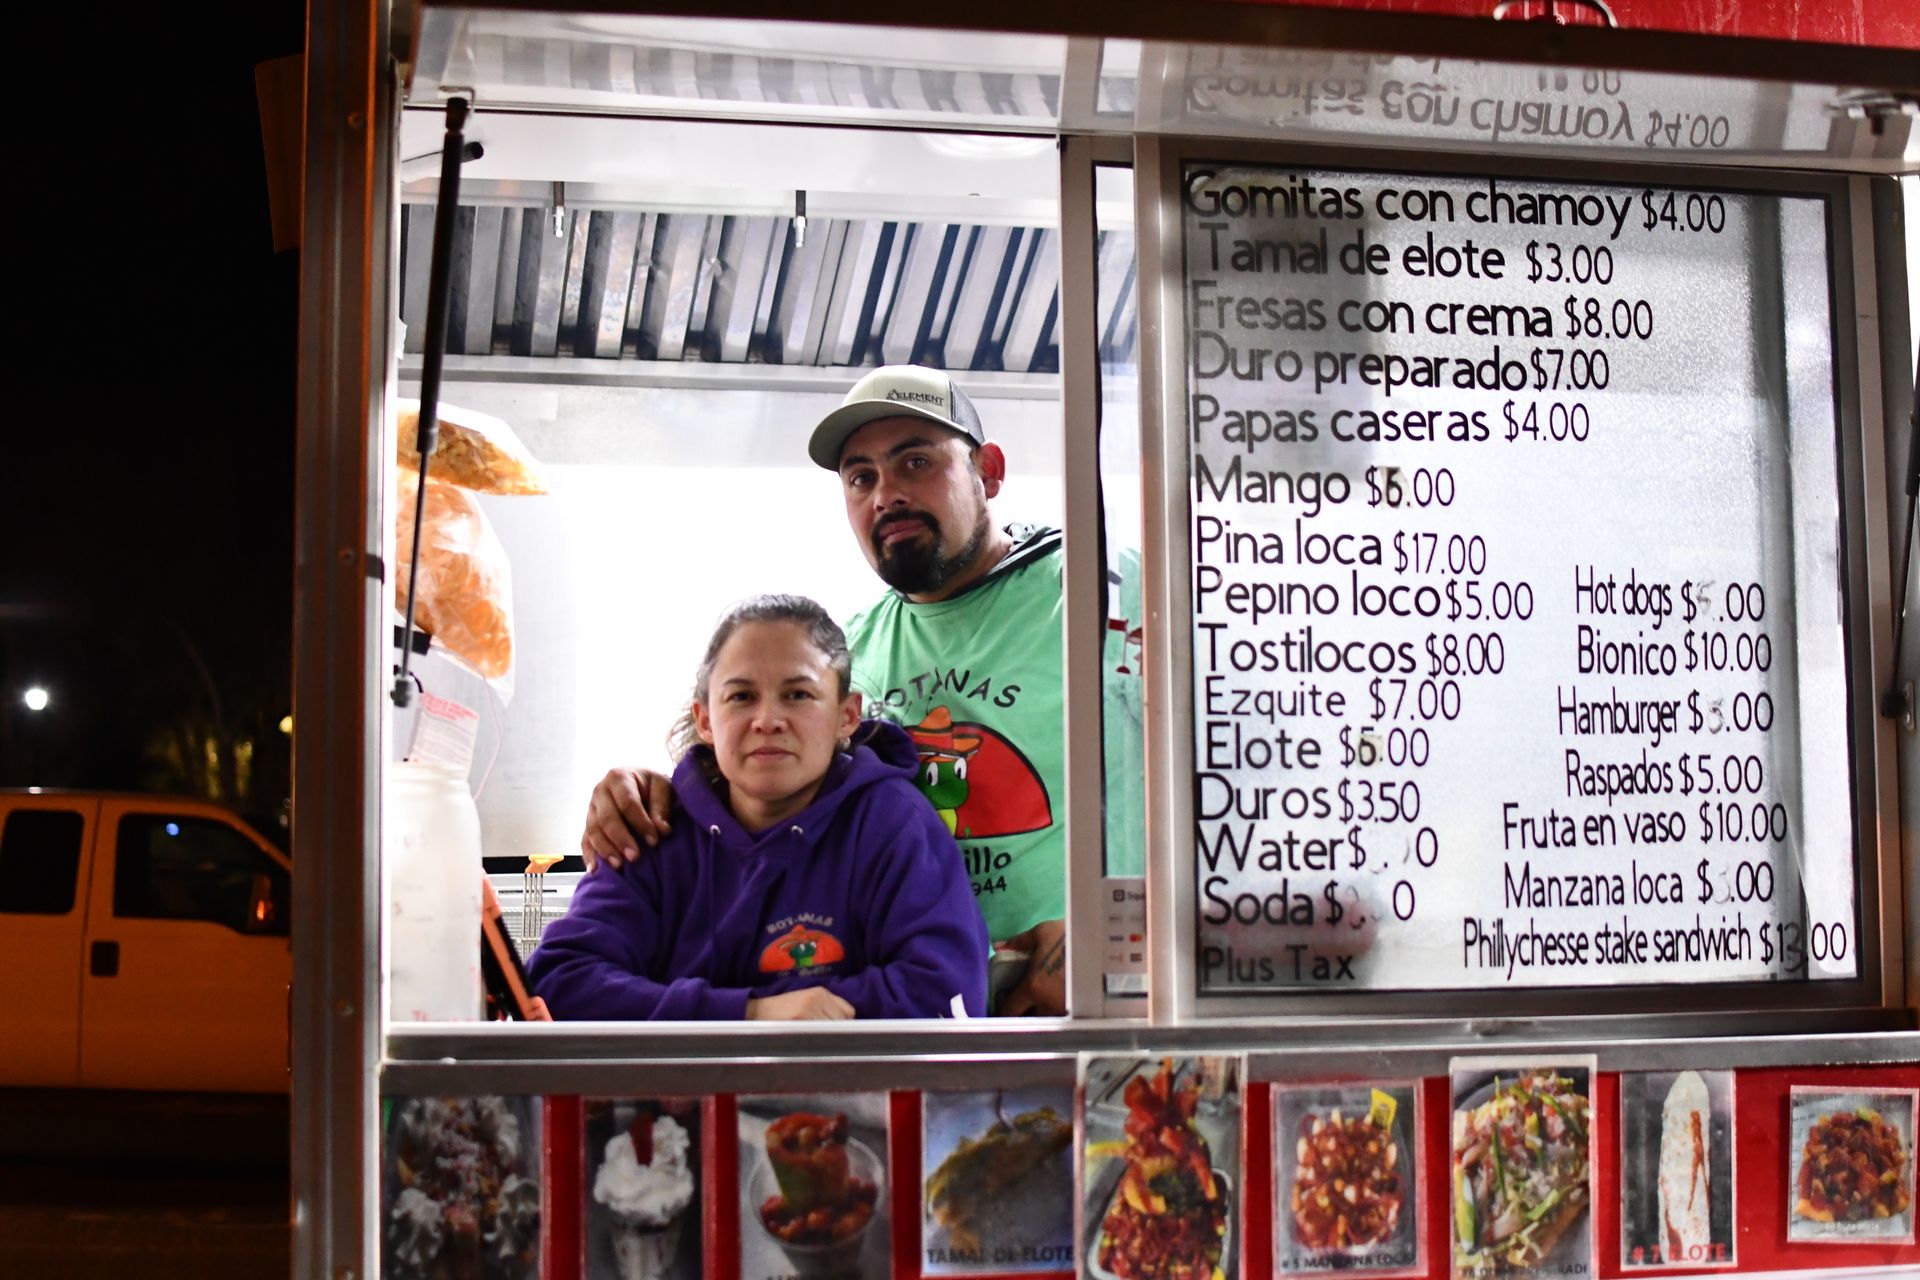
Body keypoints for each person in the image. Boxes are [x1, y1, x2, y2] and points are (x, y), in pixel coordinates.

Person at [579, 365, 1143, 1016]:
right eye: (861, 478)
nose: (886, 495)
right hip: (943, 1031)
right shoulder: (852, 655)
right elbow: (742, 783)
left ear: (988, 472)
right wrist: (643, 791)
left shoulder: (1109, 591)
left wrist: (1133, 939)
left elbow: (1229, 772)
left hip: (1114, 1009)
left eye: (915, 462)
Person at [529, 594, 988, 1020]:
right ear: (705, 720)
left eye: (798, 695)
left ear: (847, 716)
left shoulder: (895, 825)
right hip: (681, 1087)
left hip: (843, 1086)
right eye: (742, 697)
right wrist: (750, 1014)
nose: (767, 721)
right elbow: (558, 983)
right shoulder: (654, 826)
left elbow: (947, 995)